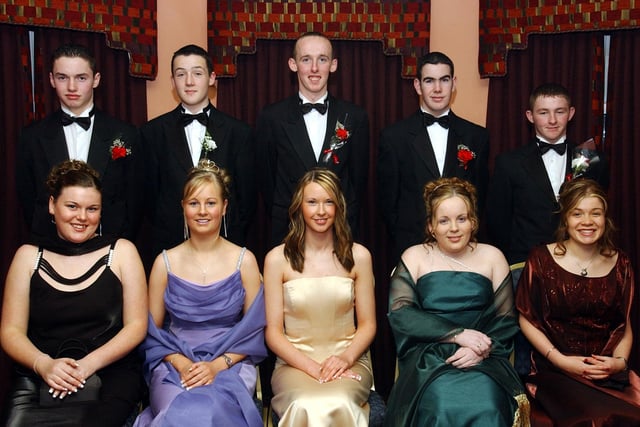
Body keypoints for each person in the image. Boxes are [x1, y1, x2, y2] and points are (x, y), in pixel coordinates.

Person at [1, 160, 147, 426]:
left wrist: (89, 364)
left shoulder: (123, 252)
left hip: (108, 376)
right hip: (39, 378)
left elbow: (137, 326)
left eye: (92, 209)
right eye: (72, 206)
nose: (82, 217)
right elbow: (11, 332)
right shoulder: (27, 257)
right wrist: (44, 365)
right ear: (51, 206)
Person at [384, 177, 529, 427]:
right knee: (441, 406)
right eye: (444, 221)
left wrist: (480, 349)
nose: (454, 228)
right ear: (431, 226)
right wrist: (457, 334)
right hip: (428, 358)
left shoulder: (493, 257)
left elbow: (506, 319)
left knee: (488, 405)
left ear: (473, 221)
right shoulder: (415, 256)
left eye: (461, 219)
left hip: (484, 357)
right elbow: (402, 314)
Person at [134, 159, 267, 427]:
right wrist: (181, 363)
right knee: (181, 411)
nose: (202, 211)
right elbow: (150, 331)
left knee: (211, 410)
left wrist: (217, 366)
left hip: (231, 363)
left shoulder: (246, 261)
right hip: (175, 364)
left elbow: (255, 329)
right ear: (183, 208)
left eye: (211, 203)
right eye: (194, 203)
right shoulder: (164, 263)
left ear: (224, 207)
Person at [516, 178, 640, 425]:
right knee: (597, 419)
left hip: (607, 371)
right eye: (578, 214)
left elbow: (624, 323)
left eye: (596, 213)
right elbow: (526, 318)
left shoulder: (621, 264)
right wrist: (560, 360)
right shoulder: (540, 259)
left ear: (605, 218)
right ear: (566, 219)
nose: (587, 222)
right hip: (556, 369)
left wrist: (619, 363)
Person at [263, 168, 376, 426]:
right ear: (299, 207)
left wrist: (344, 360)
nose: (321, 211)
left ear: (339, 207)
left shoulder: (359, 256)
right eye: (312, 202)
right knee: (305, 403)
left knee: (340, 402)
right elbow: (273, 333)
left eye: (328, 202)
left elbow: (368, 325)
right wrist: (313, 368)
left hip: (349, 360)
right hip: (294, 365)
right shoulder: (276, 260)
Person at [16, 43, 142, 243]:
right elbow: (28, 201)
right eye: (62, 77)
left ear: (96, 80)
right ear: (51, 80)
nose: (72, 87)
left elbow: (134, 201)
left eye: (81, 78)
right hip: (51, 247)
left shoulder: (126, 134)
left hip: (109, 246)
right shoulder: (32, 137)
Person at [257, 32, 369, 247]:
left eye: (322, 59)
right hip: (288, 230)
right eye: (306, 59)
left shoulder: (355, 117)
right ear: (293, 64)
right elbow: (267, 179)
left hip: (340, 231)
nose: (314, 68)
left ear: (333, 65)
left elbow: (357, 180)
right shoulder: (271, 117)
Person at [142, 44, 256, 255]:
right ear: (172, 82)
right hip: (170, 246)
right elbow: (149, 197)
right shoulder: (152, 132)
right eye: (181, 74)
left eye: (197, 73)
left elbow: (246, 200)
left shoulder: (239, 132)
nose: (189, 81)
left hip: (225, 244)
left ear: (212, 78)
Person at [377, 51, 489, 264]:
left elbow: (479, 198)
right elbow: (388, 203)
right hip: (412, 248)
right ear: (418, 85)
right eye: (429, 81)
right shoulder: (393, 137)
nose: (437, 89)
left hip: (463, 250)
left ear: (453, 83)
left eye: (444, 80)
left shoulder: (477, 136)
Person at [487, 82, 610, 267]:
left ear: (571, 113)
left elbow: (599, 213)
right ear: (530, 116)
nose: (552, 120)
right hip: (525, 264)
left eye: (560, 111)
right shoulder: (509, 163)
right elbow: (498, 222)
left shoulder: (590, 158)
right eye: (543, 113)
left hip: (580, 262)